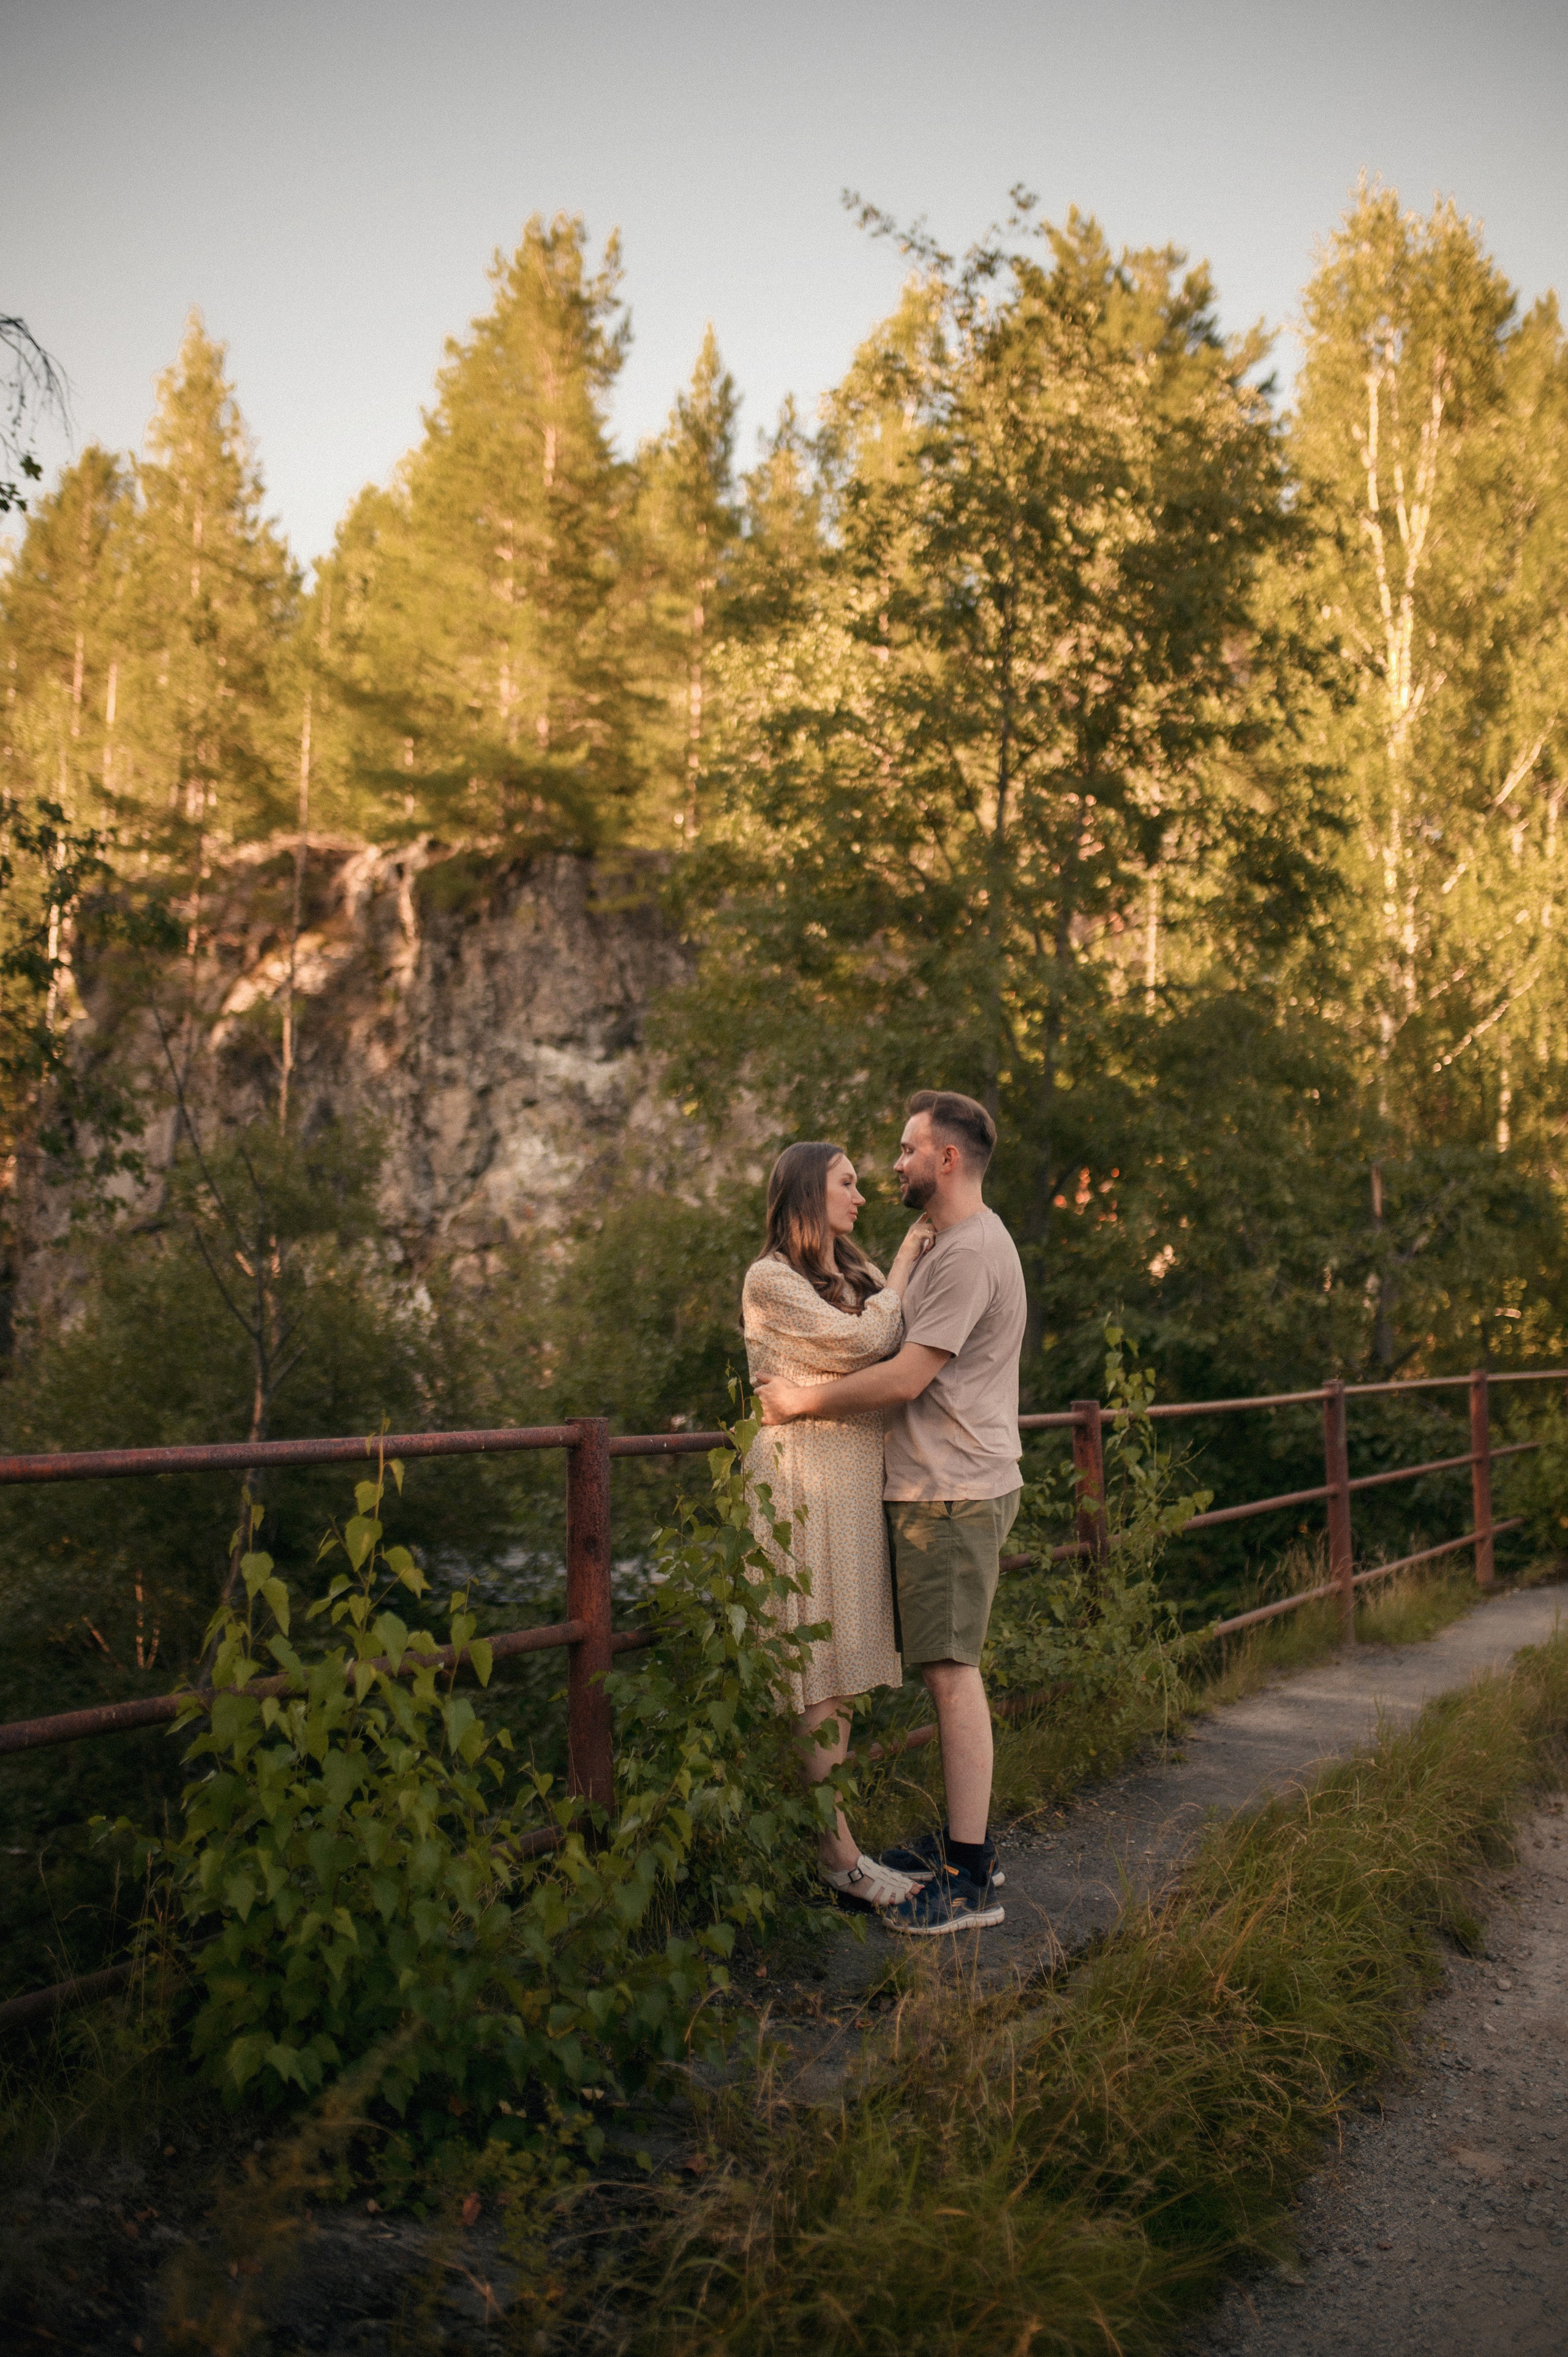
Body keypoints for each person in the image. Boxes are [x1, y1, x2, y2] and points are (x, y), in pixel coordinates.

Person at [755, 1090, 1026, 1936]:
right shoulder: (940, 1245)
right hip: (927, 1486)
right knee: (934, 1673)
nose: (892, 1167)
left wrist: (799, 1406)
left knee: (950, 1676)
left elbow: (904, 1374)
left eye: (907, 1151)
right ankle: (958, 1851)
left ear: (946, 1159)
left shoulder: (965, 1252)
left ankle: (970, 1878)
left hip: (950, 1489)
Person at [741, 1141, 937, 1910]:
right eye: (847, 1182)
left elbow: (896, 1330)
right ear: (805, 1191)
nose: (861, 1194)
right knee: (816, 1670)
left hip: (856, 1478)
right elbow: (868, 1340)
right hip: (802, 1481)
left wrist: (894, 1281)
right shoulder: (769, 1278)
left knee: (847, 1668)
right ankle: (838, 1856)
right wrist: (907, 1268)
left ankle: (836, 1844)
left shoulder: (855, 1269)